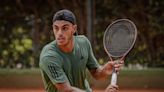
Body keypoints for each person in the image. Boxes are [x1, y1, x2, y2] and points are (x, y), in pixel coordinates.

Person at [39, 9, 124, 92]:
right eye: (56, 28)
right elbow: (66, 90)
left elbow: (96, 73)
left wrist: (105, 70)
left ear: (74, 29)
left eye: (65, 28)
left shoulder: (83, 42)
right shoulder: (49, 56)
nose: (59, 33)